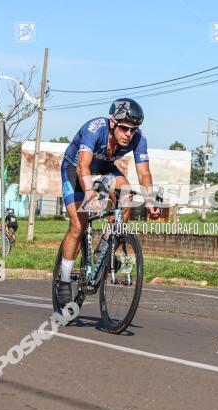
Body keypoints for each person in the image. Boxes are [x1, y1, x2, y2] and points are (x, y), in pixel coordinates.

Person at [54, 98, 160, 318]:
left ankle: (107, 243)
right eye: (124, 128)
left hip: (104, 168)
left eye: (133, 130)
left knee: (127, 192)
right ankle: (64, 280)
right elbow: (83, 165)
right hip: (75, 168)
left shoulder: (138, 139)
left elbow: (144, 173)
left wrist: (150, 200)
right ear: (113, 123)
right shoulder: (95, 129)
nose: (128, 134)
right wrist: (89, 192)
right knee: (78, 223)